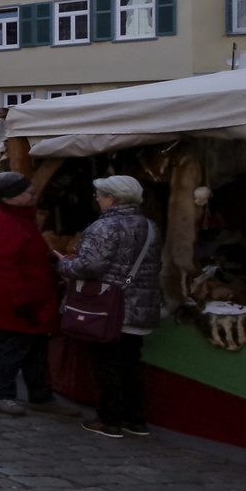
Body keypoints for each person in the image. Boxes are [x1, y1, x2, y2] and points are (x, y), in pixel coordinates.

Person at [58, 175, 163, 438]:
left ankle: (109, 420)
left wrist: (63, 264)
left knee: (106, 364)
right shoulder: (150, 226)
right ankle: (136, 420)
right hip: (140, 303)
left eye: (100, 196)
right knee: (131, 363)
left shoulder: (104, 227)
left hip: (109, 306)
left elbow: (90, 266)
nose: (97, 200)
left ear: (112, 198)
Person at [0, 172, 76, 417]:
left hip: (36, 296)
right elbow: (5, 265)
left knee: (36, 352)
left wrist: (50, 258)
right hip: (19, 300)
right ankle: (3, 394)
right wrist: (20, 300)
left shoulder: (19, 217)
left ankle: (41, 396)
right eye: (28, 192)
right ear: (13, 197)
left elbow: (26, 253)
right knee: (13, 349)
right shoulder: (1, 220)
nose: (33, 195)